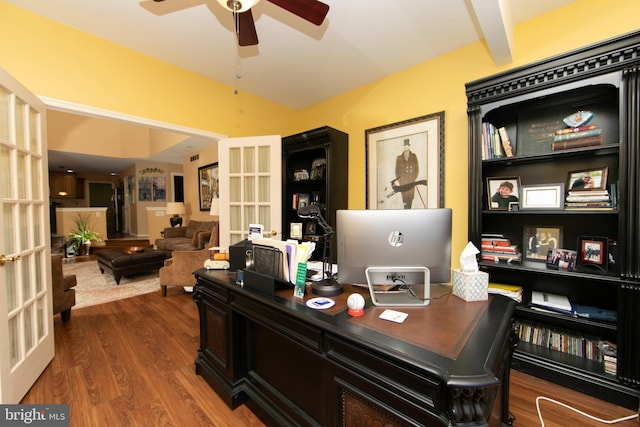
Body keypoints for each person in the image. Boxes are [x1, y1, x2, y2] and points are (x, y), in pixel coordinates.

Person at [395, 139, 419, 209]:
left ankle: (409, 210)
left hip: (411, 181)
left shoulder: (414, 156)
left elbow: (416, 169)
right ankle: (405, 210)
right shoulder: (399, 158)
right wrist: (400, 181)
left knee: (410, 197)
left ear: (409, 146)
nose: (406, 147)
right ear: (403, 146)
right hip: (403, 182)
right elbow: (397, 171)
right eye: (405, 146)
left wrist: (413, 179)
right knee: (404, 198)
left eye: (407, 145)